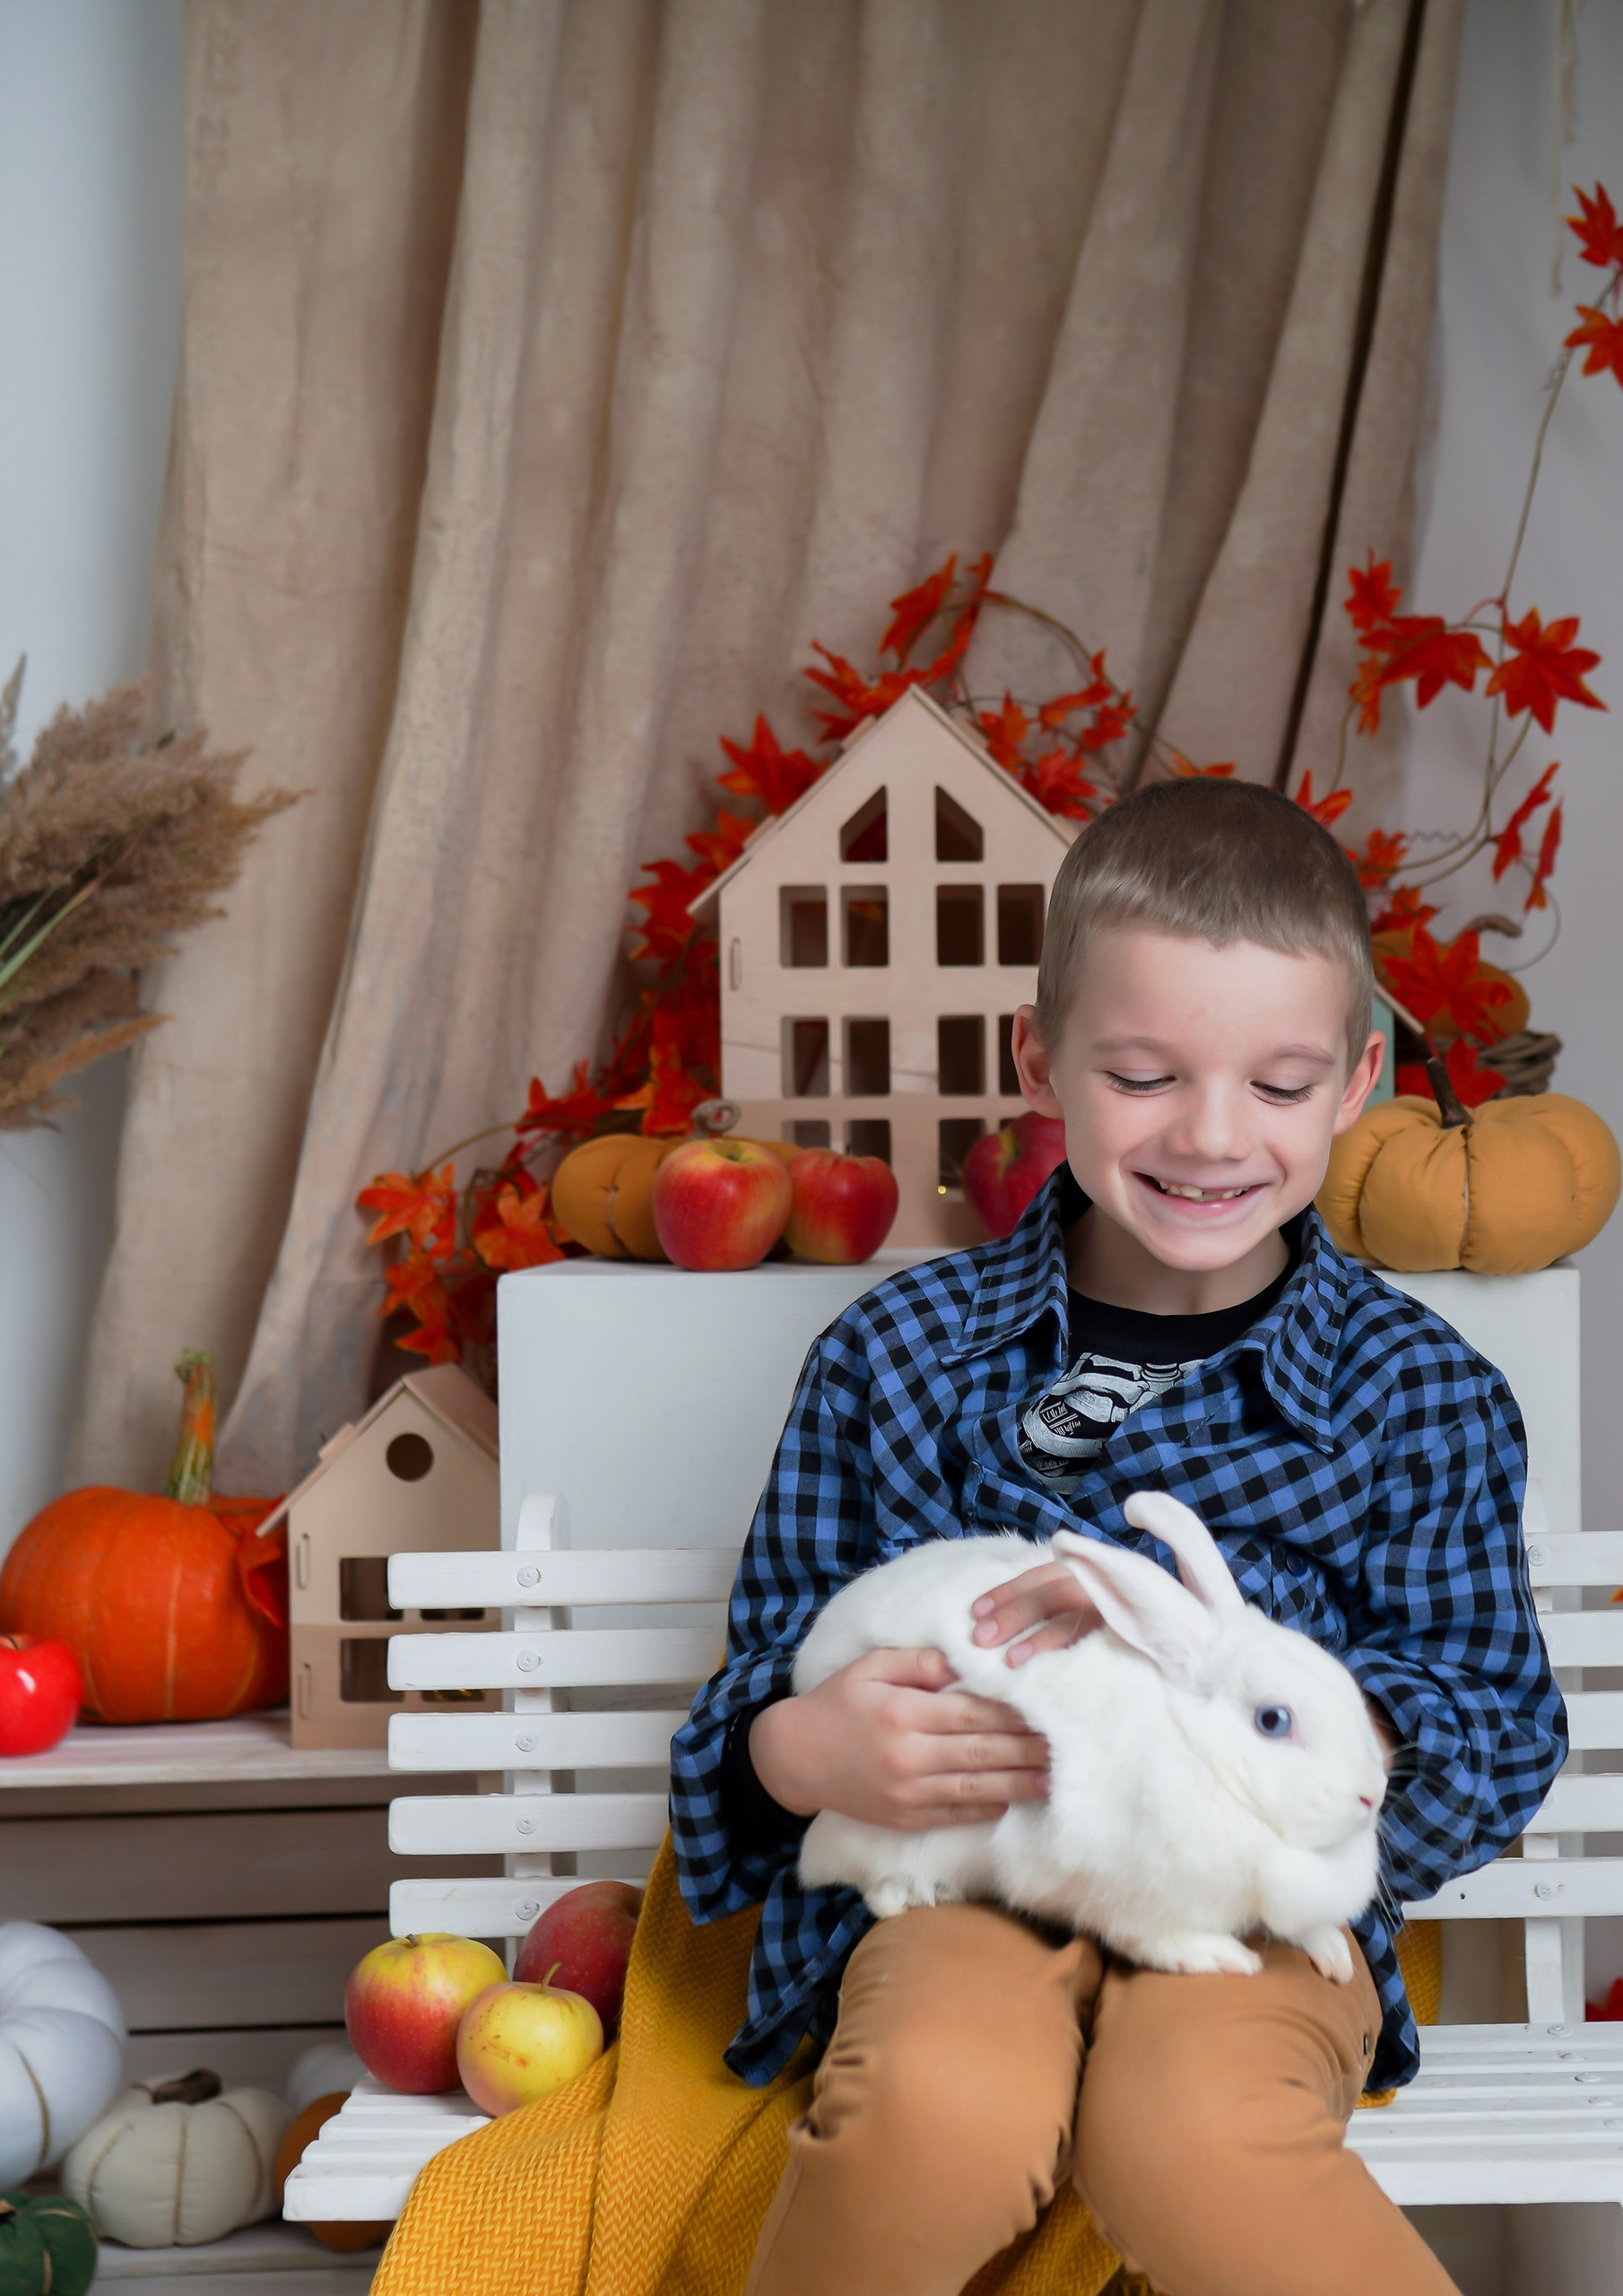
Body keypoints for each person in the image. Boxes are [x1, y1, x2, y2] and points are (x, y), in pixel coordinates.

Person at [668, 776, 1567, 2296]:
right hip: (974, 1882)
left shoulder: (1416, 1397)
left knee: (1192, 2135)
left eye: (1279, 1088)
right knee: (937, 2109)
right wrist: (799, 1752)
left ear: (1359, 1082)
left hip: (1248, 1924)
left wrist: (1275, 1775)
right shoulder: (901, 1357)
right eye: (1146, 1074)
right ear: (1043, 1059)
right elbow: (768, 1663)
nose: (1212, 1138)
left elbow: (1494, 1715)